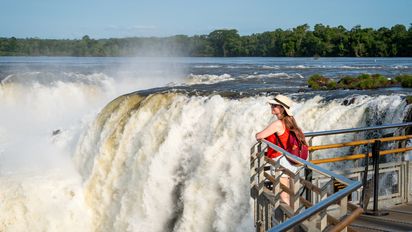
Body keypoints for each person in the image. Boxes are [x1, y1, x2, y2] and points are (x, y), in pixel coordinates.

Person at [255, 94, 307, 205]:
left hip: (282, 161)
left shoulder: (278, 124)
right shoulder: (291, 120)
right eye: (272, 105)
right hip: (293, 159)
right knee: (293, 194)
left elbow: (259, 136)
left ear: (282, 108)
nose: (272, 107)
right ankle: (296, 217)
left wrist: (257, 134)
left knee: (284, 195)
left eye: (274, 105)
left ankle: (289, 220)